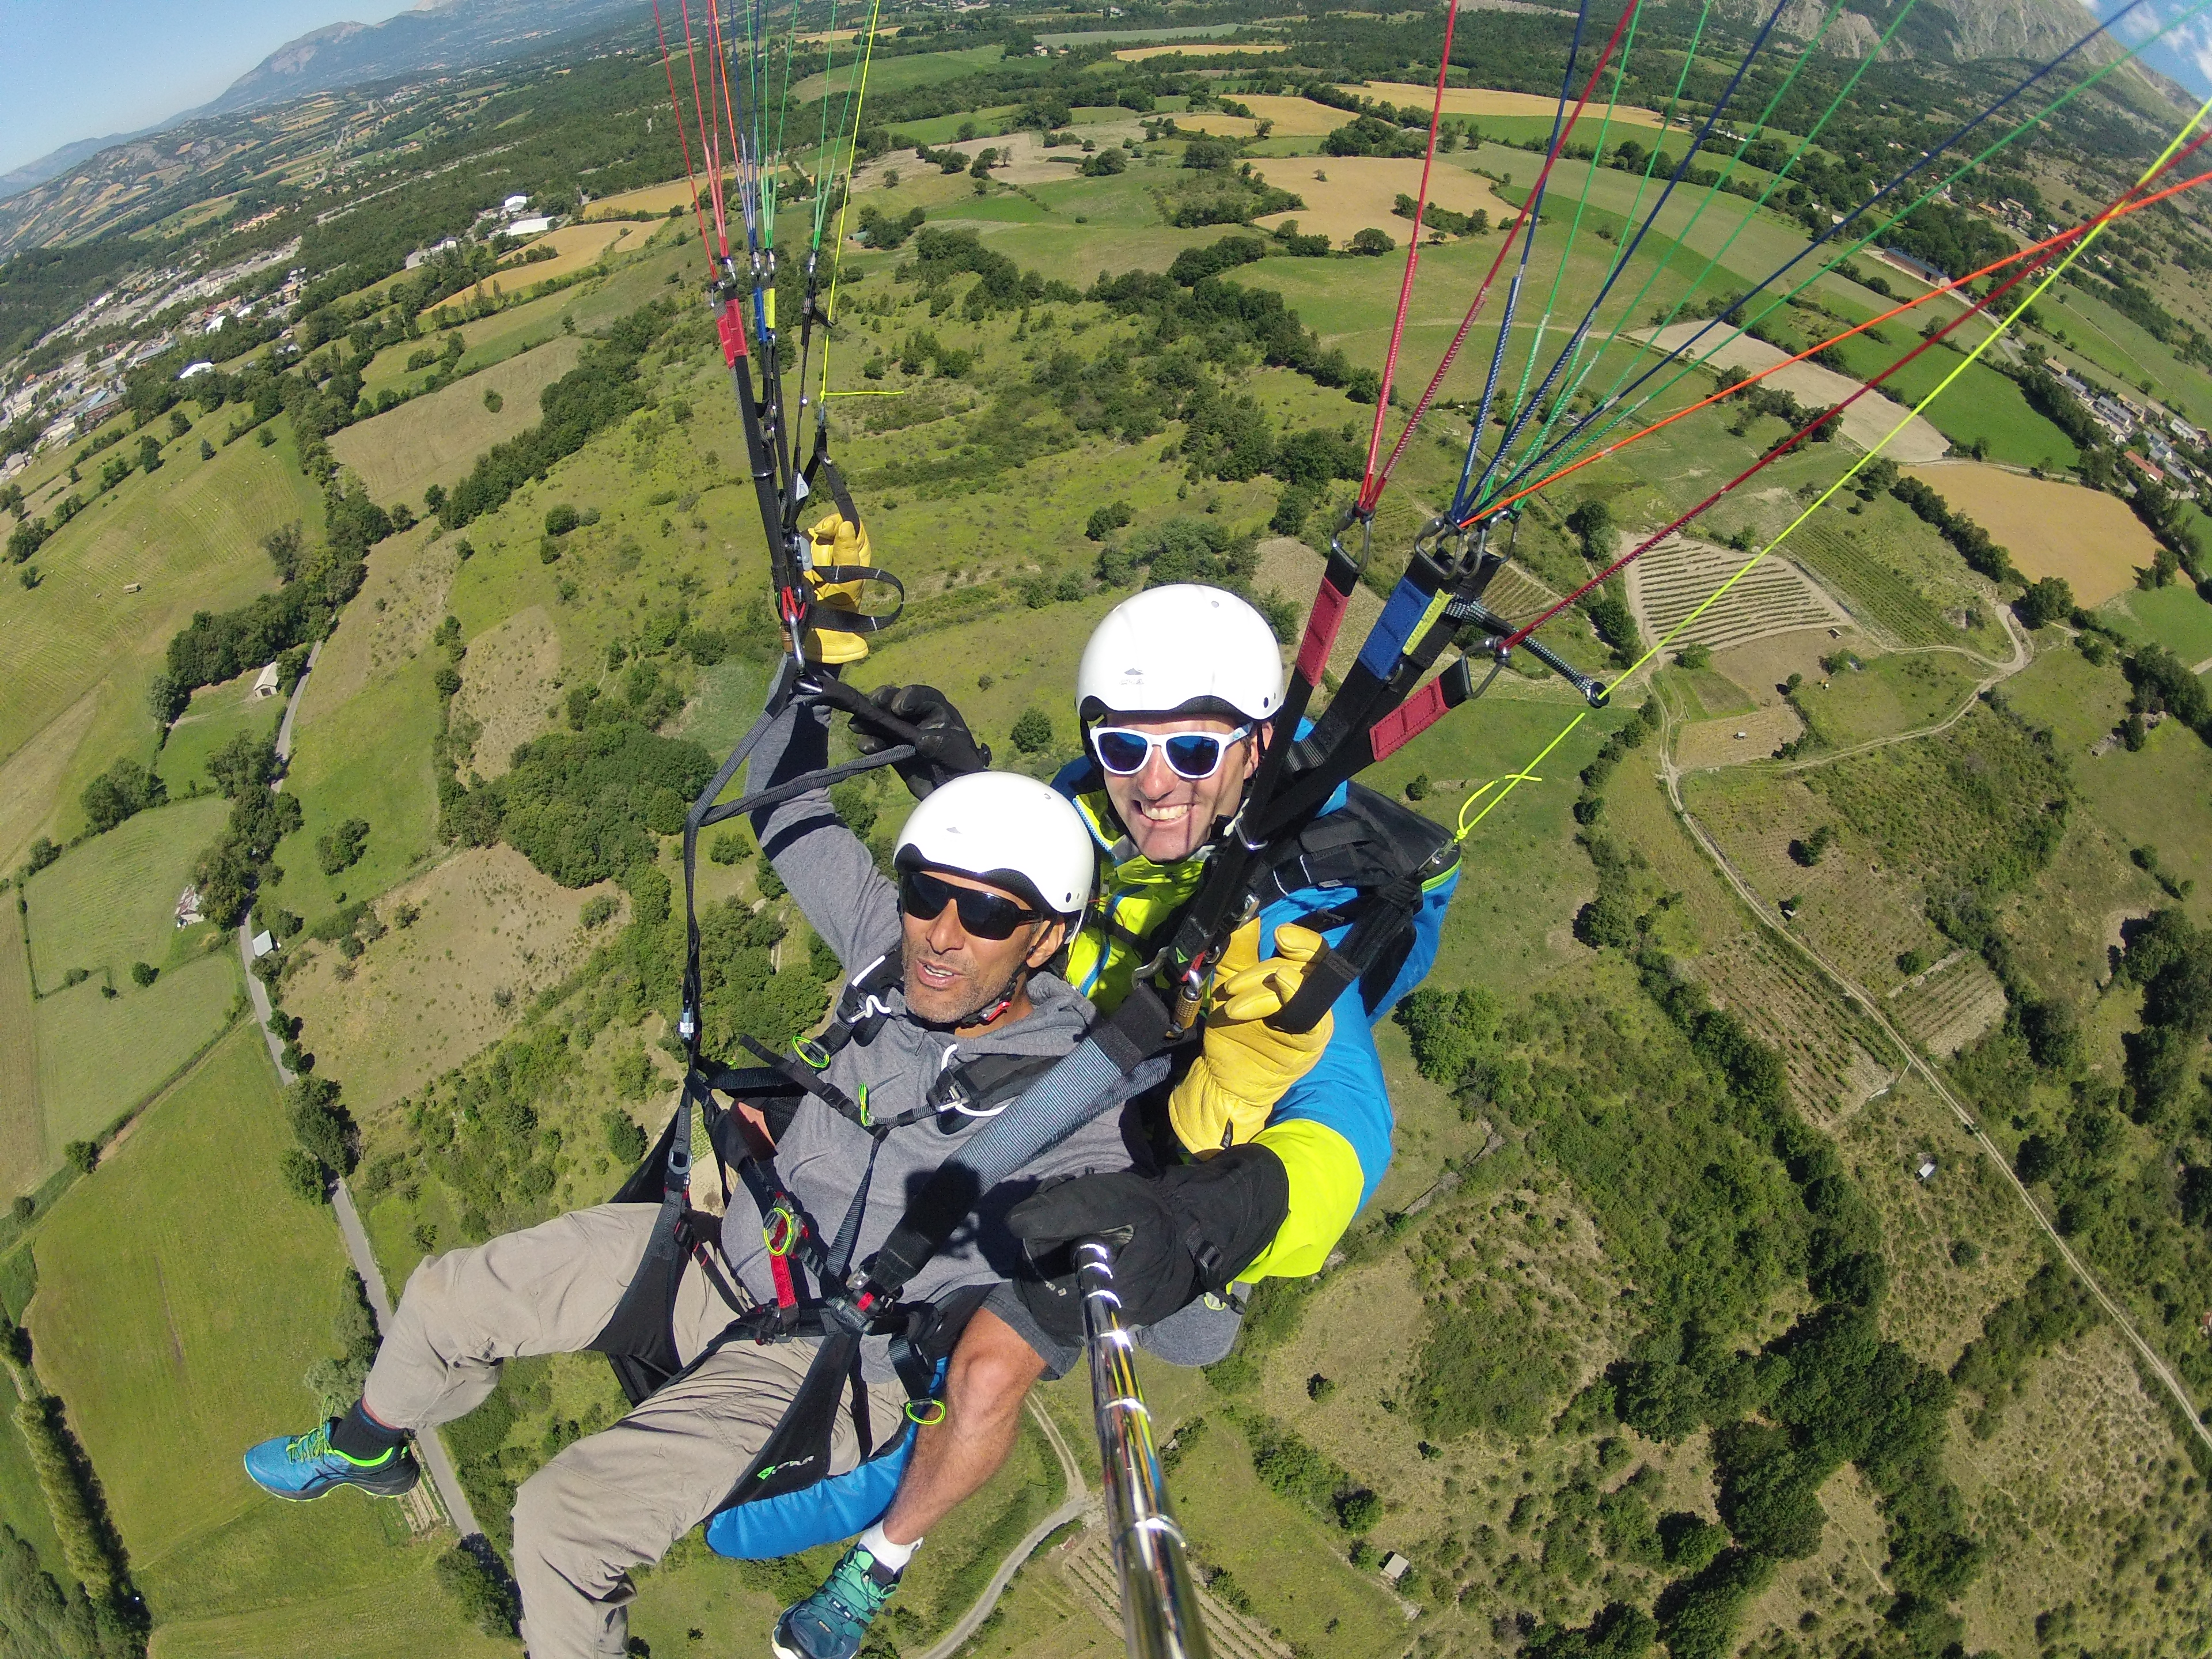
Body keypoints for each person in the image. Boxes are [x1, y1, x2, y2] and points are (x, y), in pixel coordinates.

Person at [241, 728, 1128, 1659]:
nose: (941, 937)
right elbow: (784, 809)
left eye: (986, 915)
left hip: (822, 1368)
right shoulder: (885, 959)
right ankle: (370, 1443)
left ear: (1048, 935)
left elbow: (1191, 1311)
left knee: (559, 1526)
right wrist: (807, 672)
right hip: (718, 1254)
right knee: (442, 1299)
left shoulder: (1079, 1096)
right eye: (924, 895)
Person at [783, 584, 1458, 1652]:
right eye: (1120, 746)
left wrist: (1204, 1226)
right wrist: (971, 797)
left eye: (1192, 754)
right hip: (1069, 1077)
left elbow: (1344, 1134)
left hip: (1165, 1179)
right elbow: (1065, 906)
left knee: (1049, 1352)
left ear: (1253, 750)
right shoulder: (1091, 809)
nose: (1152, 784)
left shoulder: (1293, 932)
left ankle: (882, 1561)